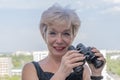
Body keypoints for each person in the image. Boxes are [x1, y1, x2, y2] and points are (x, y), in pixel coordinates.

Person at [22, 4, 106, 80]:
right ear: (44, 35)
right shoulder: (30, 69)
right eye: (53, 33)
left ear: (73, 36)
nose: (59, 40)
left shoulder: (83, 70)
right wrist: (62, 73)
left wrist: (96, 74)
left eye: (66, 34)